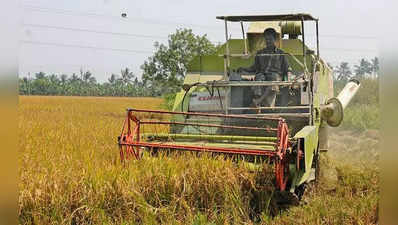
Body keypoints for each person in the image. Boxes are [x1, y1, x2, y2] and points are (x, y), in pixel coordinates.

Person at [237, 28, 290, 107]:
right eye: (266, 39)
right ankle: (258, 103)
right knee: (258, 77)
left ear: (274, 39)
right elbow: (254, 68)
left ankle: (258, 102)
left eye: (270, 39)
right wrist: (243, 69)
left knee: (273, 80)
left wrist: (288, 79)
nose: (268, 41)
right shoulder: (260, 53)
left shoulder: (281, 53)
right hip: (262, 76)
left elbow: (287, 69)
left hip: (275, 77)